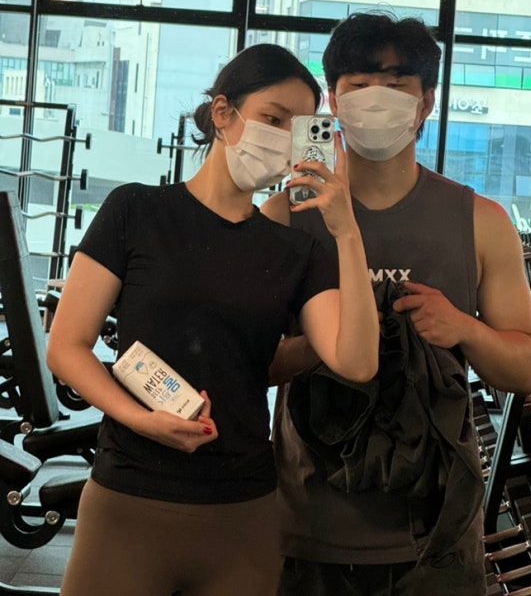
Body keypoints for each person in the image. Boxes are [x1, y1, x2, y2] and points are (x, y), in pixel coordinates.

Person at [46, 43, 379, 596]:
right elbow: (67, 346)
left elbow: (357, 361)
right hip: (129, 498)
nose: (282, 139)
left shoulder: (298, 251)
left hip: (241, 511)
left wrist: (345, 229)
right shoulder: (136, 211)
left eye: (297, 128)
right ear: (223, 113)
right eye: (273, 118)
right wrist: (139, 419)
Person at [264, 11, 531, 596]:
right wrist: (337, 341)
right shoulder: (285, 218)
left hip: (436, 536)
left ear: (427, 103)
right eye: (359, 85)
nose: (376, 100)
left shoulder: (481, 222)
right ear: (332, 103)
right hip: (308, 528)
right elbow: (251, 363)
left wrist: (463, 327)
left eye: (395, 86)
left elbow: (527, 369)